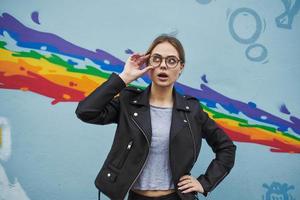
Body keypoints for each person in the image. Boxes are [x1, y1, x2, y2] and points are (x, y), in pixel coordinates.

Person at [75, 34, 236, 200]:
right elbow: (86, 112)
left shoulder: (192, 110)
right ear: (148, 64)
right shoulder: (128, 102)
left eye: (171, 60)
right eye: (156, 59)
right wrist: (124, 78)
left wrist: (205, 182)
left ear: (181, 67)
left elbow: (227, 148)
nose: (163, 66)